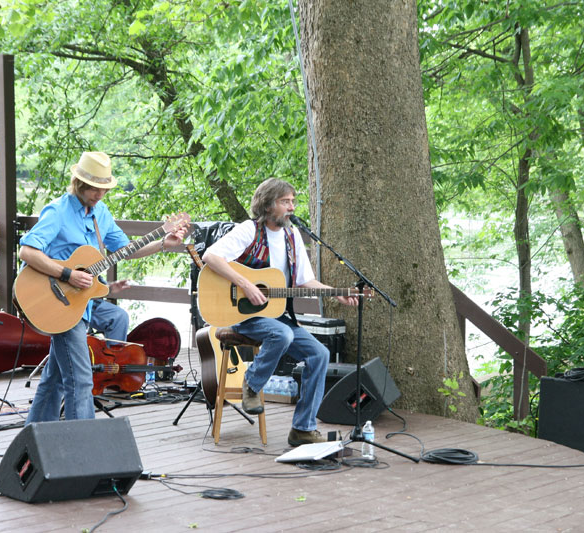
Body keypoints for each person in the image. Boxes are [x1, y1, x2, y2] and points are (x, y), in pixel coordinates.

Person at [19, 151, 187, 425]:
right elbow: (27, 252)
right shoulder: (58, 211)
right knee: (82, 379)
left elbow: (125, 249)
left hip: (78, 307)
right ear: (79, 183)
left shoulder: (101, 214)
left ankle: (35, 433)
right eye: (95, 188)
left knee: (56, 377)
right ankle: (83, 448)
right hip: (55, 301)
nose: (99, 194)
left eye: (104, 189)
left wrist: (163, 243)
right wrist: (68, 273)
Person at [202, 178, 357, 446]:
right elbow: (211, 256)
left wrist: (335, 292)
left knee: (319, 354)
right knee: (282, 335)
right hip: (245, 316)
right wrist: (246, 285)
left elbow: (305, 281)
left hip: (279, 317)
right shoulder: (249, 230)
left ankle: (302, 429)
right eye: (285, 202)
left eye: (293, 202)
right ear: (268, 204)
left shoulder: (292, 236)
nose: (291, 207)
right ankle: (252, 383)